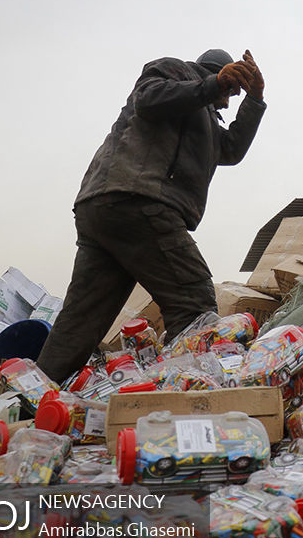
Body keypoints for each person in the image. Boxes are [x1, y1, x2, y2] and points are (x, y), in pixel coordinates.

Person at [35, 48, 266, 383]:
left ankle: (33, 399)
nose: (228, 100)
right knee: (193, 300)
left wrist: (255, 101)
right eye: (231, 90)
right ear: (215, 72)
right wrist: (214, 84)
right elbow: (148, 99)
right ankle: (190, 391)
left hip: (108, 210)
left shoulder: (207, 120)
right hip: (136, 199)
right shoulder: (176, 71)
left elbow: (230, 150)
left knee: (81, 322)